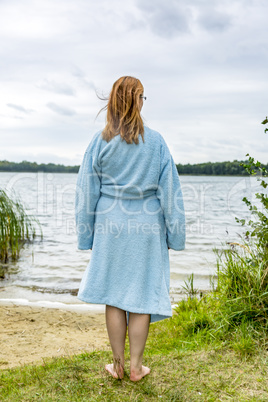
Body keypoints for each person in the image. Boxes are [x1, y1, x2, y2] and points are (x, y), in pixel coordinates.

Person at [75, 76, 186, 382]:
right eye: (142, 97)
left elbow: (86, 192)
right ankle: (137, 367)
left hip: (111, 225)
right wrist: (175, 235)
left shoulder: (99, 142)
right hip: (147, 226)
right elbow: (171, 193)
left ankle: (118, 365)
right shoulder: (157, 142)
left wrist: (86, 235)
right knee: (142, 294)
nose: (142, 102)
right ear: (135, 101)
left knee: (114, 295)